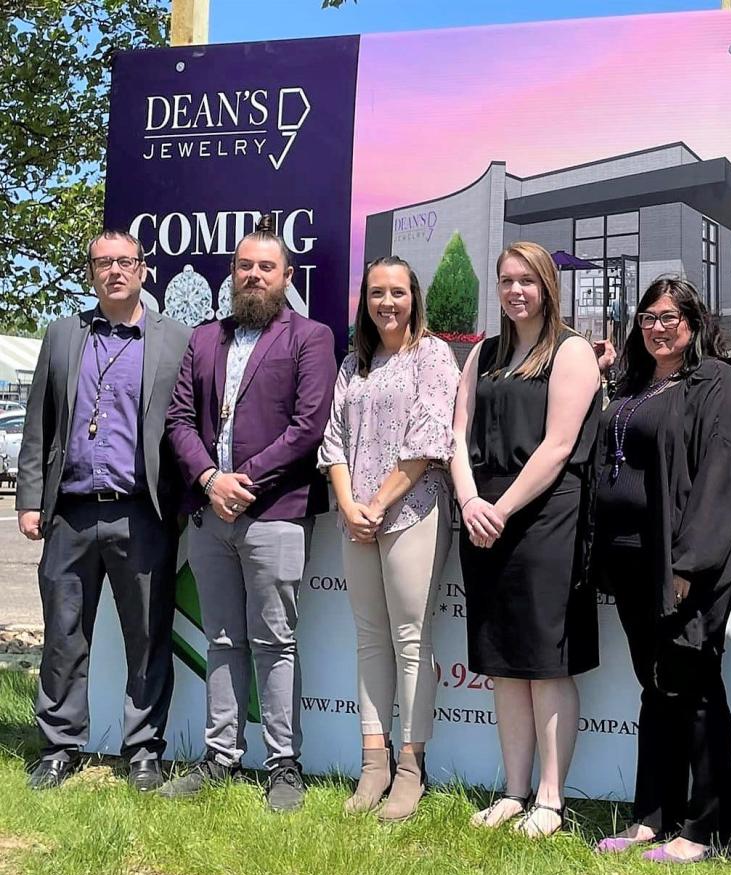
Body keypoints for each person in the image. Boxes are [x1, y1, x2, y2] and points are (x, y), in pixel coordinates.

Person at [161, 216, 337, 812]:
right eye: (245, 266)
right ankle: (220, 757)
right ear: (231, 274)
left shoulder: (310, 337)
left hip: (276, 514)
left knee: (275, 641)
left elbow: (308, 426)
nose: (254, 275)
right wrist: (211, 480)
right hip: (212, 515)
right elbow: (179, 421)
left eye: (267, 267)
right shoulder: (204, 339)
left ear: (287, 277)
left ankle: (284, 765)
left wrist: (247, 480)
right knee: (222, 639)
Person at [16, 229, 191, 791]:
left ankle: (143, 750)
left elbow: (186, 429)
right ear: (90, 273)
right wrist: (27, 498)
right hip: (69, 514)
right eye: (103, 263)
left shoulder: (176, 339)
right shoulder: (64, 335)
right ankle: (60, 746)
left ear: (144, 270)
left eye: (125, 262)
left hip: (142, 513)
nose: (115, 271)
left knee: (147, 635)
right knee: (64, 635)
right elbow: (39, 423)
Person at [591, 277, 731, 863]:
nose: (658, 327)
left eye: (669, 316)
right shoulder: (634, 383)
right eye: (648, 317)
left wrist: (691, 562)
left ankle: (708, 828)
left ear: (693, 321)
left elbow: (721, 473)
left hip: (684, 562)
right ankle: (652, 817)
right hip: (631, 560)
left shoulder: (714, 382)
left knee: (695, 687)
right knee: (656, 687)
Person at [451, 241, 601, 838]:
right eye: (506, 280)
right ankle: (513, 792)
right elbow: (456, 433)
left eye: (527, 281)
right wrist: (469, 501)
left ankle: (550, 800)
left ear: (547, 287)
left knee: (544, 662)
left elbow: (559, 447)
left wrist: (501, 509)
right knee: (504, 665)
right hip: (482, 519)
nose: (515, 291)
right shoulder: (483, 354)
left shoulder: (571, 352)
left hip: (543, 522)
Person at [319, 256, 459, 821]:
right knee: (370, 640)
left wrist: (376, 504)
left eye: (397, 292)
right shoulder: (355, 363)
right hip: (356, 518)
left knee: (410, 641)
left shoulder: (433, 356)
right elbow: (333, 440)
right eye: (377, 293)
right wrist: (351, 505)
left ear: (414, 297)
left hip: (413, 513)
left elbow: (430, 438)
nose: (387, 303)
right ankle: (372, 765)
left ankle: (410, 767)